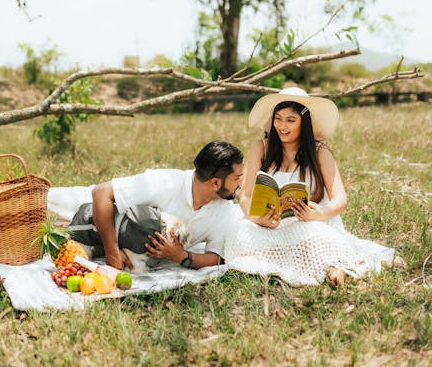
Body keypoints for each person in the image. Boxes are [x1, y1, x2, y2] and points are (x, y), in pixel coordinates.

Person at [224, 87, 396, 285]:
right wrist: (257, 218)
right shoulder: (261, 147)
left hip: (308, 221)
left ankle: (332, 268)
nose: (282, 126)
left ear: (303, 123)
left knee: (312, 234)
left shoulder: (319, 151)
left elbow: (340, 199)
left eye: (291, 120)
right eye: (278, 118)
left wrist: (318, 214)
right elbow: (245, 196)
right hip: (268, 223)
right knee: (238, 234)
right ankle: (304, 262)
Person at [91, 140, 244, 270]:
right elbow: (101, 193)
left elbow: (217, 258)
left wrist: (182, 257)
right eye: (237, 178)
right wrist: (111, 250)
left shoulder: (225, 209)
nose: (241, 183)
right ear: (215, 183)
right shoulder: (163, 183)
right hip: (96, 217)